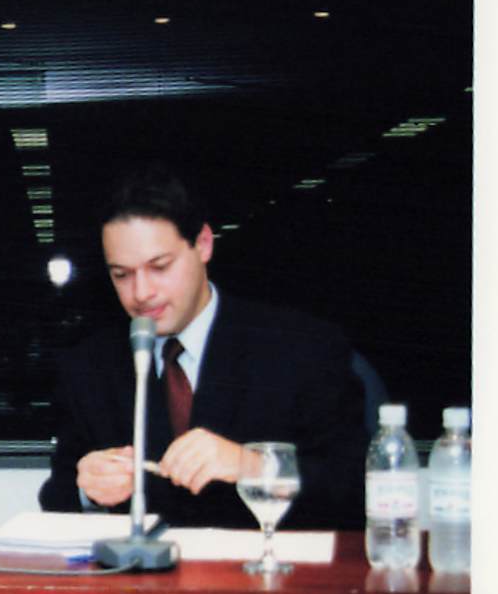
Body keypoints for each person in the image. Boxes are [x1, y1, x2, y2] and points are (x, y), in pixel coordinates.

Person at [40, 164, 369, 529]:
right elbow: (56, 497)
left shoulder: (301, 347)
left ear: (203, 245)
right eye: (122, 274)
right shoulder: (88, 366)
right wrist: (88, 490)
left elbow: (354, 488)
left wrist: (252, 466)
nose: (141, 293)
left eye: (160, 267)